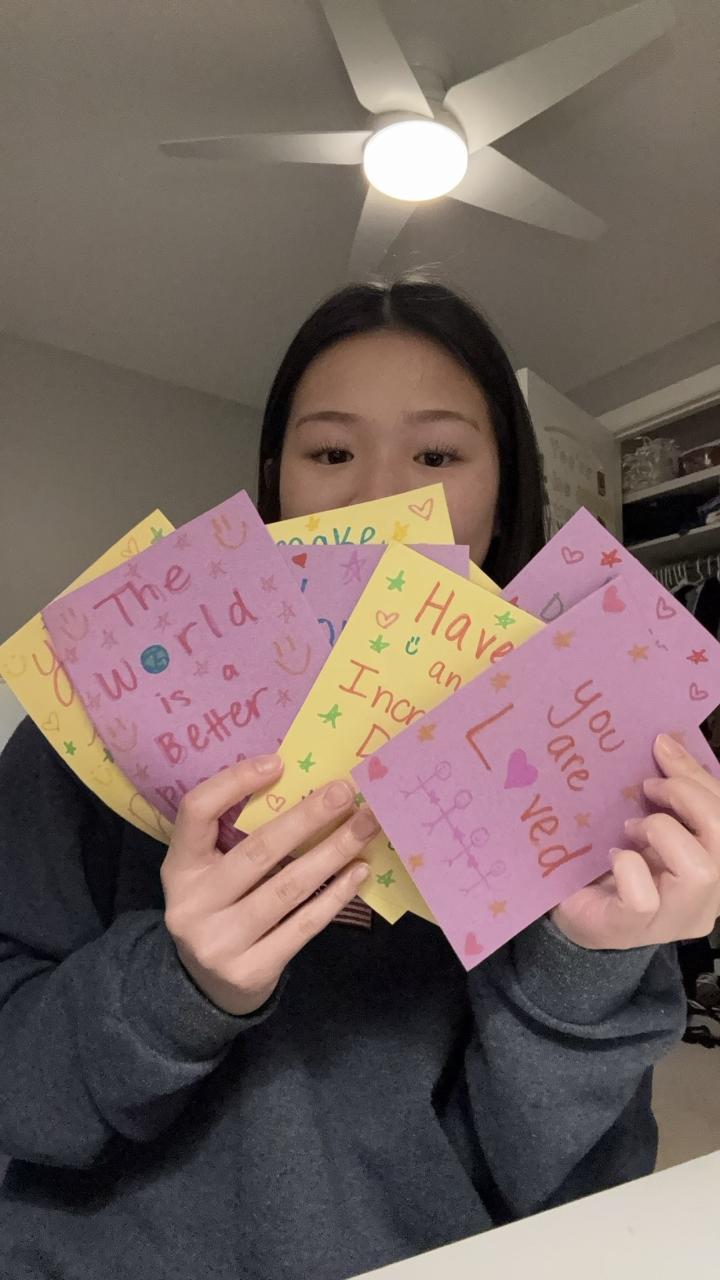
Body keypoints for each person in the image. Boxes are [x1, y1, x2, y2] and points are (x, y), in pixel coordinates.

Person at [1, 278, 719, 1280]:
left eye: (439, 455)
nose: (381, 495)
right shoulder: (96, 716)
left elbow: (576, 1197)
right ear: (276, 481)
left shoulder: (578, 747)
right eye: (332, 452)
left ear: (503, 489)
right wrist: (179, 983)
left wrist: (586, 964)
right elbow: (18, 1097)